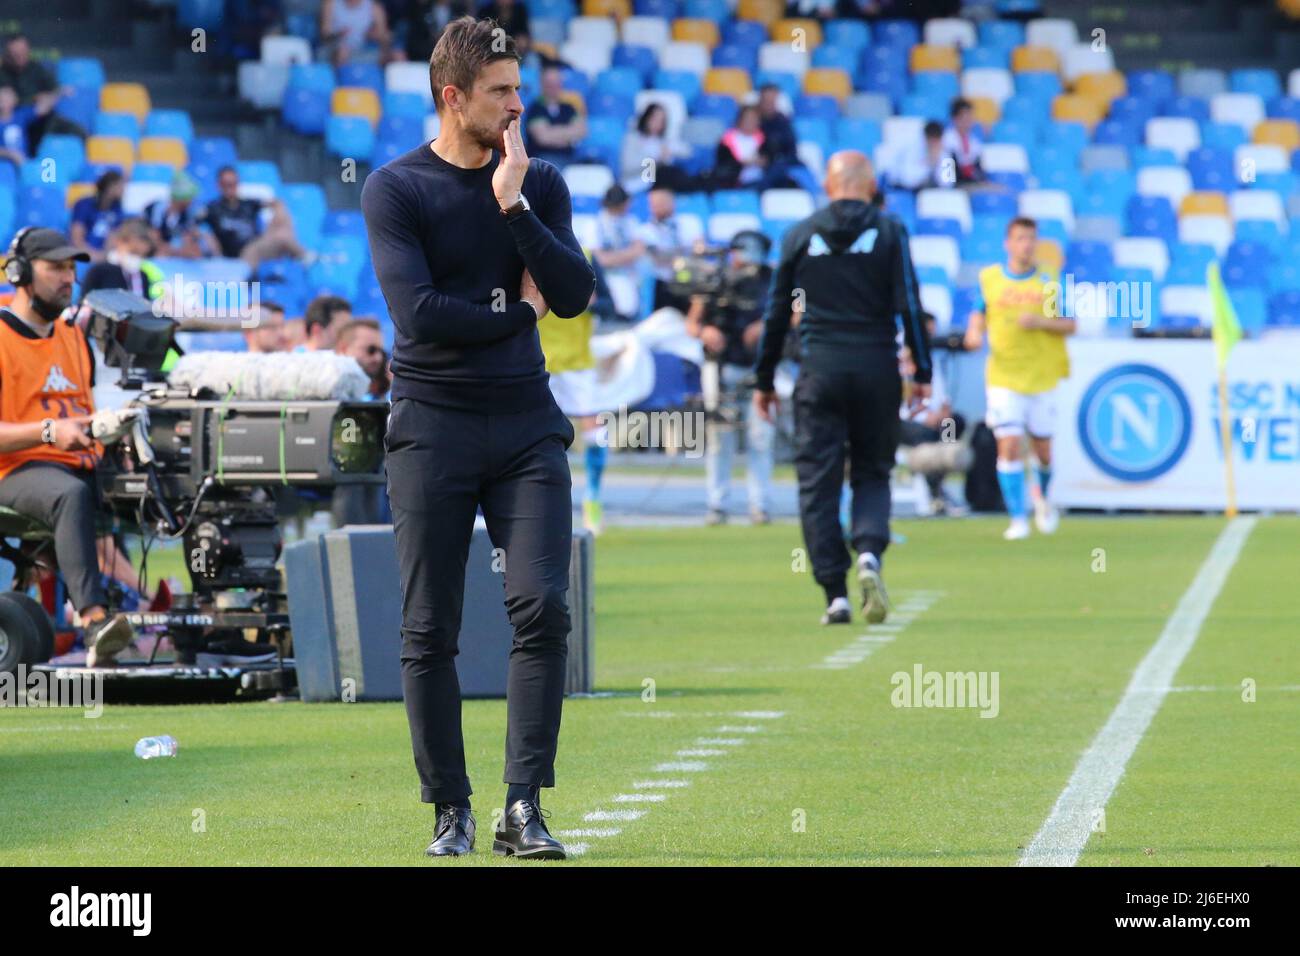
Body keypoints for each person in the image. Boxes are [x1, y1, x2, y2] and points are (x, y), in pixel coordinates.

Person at [360, 16, 594, 860]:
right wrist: (519, 311)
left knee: (543, 608)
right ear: (452, 97)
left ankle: (522, 808)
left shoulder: (536, 180)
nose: (517, 105)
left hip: (528, 426)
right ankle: (449, 809)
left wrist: (517, 206)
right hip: (432, 429)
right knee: (429, 627)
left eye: (519, 88)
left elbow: (573, 293)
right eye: (500, 92)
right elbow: (420, 317)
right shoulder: (395, 189)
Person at [752, 151, 932, 627]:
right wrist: (923, 372)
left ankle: (835, 593)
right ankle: (870, 551)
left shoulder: (798, 235)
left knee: (818, 480)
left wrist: (764, 380)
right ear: (870, 186)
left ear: (829, 187)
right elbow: (910, 306)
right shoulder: (891, 232)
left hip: (820, 370)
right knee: (873, 470)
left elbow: (775, 316)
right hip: (877, 369)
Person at [0, 227, 136, 667]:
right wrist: (48, 432)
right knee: (69, 494)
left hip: (77, 459)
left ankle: (206, 619)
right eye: (55, 267)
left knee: (173, 479)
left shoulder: (74, 337)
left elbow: (82, 411)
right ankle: (95, 622)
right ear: (19, 272)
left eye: (72, 268)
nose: (67, 278)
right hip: (15, 469)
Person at [962, 216, 1073, 540]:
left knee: (1043, 451)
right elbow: (978, 314)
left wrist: (1040, 322)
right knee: (1008, 445)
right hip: (1003, 376)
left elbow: (1069, 324)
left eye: (1031, 239)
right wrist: (973, 333)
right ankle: (1017, 518)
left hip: (1041, 375)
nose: (1026, 245)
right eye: (1020, 239)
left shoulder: (1047, 281)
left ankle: (1044, 500)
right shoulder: (991, 279)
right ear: (1008, 244)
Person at [686, 230, 776, 525]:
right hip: (721, 366)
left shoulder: (772, 281)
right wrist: (705, 332)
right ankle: (718, 503)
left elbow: (796, 312)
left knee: (760, 436)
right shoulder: (715, 281)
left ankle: (759, 504)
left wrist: (767, 326)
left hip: (760, 367)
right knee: (719, 437)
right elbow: (693, 323)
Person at [538, 251, 613, 535]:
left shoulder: (589, 256)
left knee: (595, 433)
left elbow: (609, 306)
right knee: (537, 436)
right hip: (537, 358)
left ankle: (593, 499)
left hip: (578, 362)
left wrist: (592, 304)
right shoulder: (524, 248)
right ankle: (544, 504)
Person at [199, 165, 310, 273]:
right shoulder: (212, 208)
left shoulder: (248, 204)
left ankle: (304, 259)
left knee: (282, 223)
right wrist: (209, 239)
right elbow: (193, 224)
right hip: (236, 256)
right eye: (226, 184)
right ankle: (303, 256)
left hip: (257, 246)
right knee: (275, 240)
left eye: (233, 184)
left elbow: (276, 203)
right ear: (219, 185)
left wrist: (275, 221)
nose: (230, 188)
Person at [0, 33, 84, 152]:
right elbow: (6, 101)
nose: (19, 55)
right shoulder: (2, 74)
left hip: (42, 116)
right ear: (8, 53)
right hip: (16, 120)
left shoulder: (36, 68)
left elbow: (54, 90)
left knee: (77, 131)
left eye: (22, 51)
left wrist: (50, 97)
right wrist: (34, 98)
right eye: (15, 53)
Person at [638, 186, 699, 313]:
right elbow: (658, 258)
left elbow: (699, 249)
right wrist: (683, 251)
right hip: (664, 284)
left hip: (689, 281)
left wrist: (672, 253)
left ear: (672, 202)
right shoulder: (645, 230)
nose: (655, 208)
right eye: (652, 204)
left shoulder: (690, 222)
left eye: (660, 203)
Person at [76, 219, 166, 302]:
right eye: (132, 252)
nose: (134, 259)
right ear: (120, 242)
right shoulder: (98, 272)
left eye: (138, 255)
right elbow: (84, 304)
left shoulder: (142, 276)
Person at [592, 183, 645, 320]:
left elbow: (639, 251)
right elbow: (599, 260)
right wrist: (627, 255)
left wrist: (613, 258)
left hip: (629, 275)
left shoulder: (632, 222)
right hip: (603, 278)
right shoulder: (595, 224)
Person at [142, 171, 216, 259]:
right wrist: (174, 250)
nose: (191, 201)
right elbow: (152, 238)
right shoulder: (154, 209)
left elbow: (190, 245)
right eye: (189, 198)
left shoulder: (189, 215)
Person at [620, 102, 692, 192]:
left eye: (662, 121)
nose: (658, 124)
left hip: (661, 182)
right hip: (639, 181)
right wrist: (655, 158)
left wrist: (670, 152)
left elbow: (687, 151)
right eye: (654, 119)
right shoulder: (633, 138)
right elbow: (628, 166)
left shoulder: (663, 141)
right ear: (646, 118)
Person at [523, 67, 586, 168]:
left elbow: (581, 131)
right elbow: (543, 138)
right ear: (542, 84)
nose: (554, 87)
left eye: (557, 83)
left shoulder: (568, 108)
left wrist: (553, 132)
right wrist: (568, 137)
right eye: (550, 83)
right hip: (543, 160)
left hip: (569, 158)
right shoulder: (536, 108)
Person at [319, 0, 403, 66]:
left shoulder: (374, 7)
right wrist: (339, 34)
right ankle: (340, 85)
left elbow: (384, 36)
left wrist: (373, 35)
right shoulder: (331, 3)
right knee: (342, 52)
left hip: (361, 51)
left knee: (397, 55)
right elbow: (325, 35)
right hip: (333, 49)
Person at [755, 84, 803, 188]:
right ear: (760, 101)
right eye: (766, 101)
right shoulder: (752, 120)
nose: (769, 104)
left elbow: (792, 152)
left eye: (772, 101)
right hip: (756, 165)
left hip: (779, 165)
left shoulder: (783, 122)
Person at [69, 170, 125, 258]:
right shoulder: (84, 204)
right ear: (109, 187)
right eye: (120, 186)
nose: (123, 189)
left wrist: (102, 256)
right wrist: (91, 255)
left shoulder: (117, 209)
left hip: (103, 257)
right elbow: (76, 238)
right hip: (80, 253)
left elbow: (113, 239)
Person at [334, 316, 390, 398]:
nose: (378, 358)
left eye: (381, 352)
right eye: (371, 350)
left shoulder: (385, 396)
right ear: (343, 349)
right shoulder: (323, 391)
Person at [891, 120, 953, 191]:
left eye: (936, 141)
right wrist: (928, 164)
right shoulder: (912, 149)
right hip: (909, 191)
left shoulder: (945, 152)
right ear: (925, 138)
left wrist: (936, 162)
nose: (933, 144)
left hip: (935, 193)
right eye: (931, 141)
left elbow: (948, 184)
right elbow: (907, 180)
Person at [941, 97, 985, 185]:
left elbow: (978, 171)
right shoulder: (946, 140)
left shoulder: (974, 142)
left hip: (969, 182)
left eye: (971, 117)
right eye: (965, 117)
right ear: (955, 119)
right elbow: (947, 175)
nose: (969, 121)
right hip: (952, 184)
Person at [0, 84, 35, 169]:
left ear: (15, 101)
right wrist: (11, 154)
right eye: (2, 100)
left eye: (8, 100)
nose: (5, 103)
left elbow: (42, 108)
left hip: (24, 163)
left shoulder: (20, 115)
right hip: (4, 166)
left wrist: (58, 92)